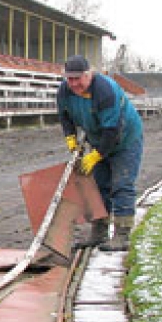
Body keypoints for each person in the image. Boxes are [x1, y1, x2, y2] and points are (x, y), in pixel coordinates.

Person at [56, 54, 144, 251]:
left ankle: (122, 236)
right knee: (97, 187)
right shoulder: (64, 91)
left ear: (89, 75)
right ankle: (99, 232)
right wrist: (70, 138)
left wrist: (96, 156)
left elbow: (112, 130)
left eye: (77, 78)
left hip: (125, 140)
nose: (73, 84)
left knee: (121, 185)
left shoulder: (105, 91)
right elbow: (65, 117)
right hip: (97, 138)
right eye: (69, 79)